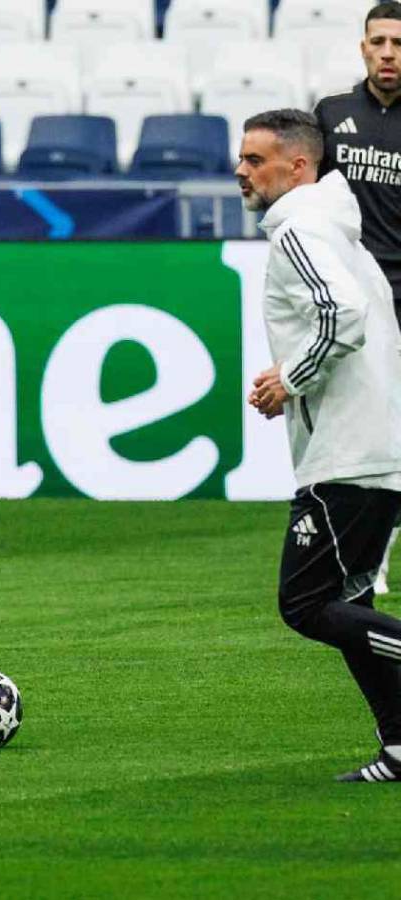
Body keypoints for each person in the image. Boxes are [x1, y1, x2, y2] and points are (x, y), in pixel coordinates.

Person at [237, 109, 401, 782]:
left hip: (349, 452)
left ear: (298, 165)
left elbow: (344, 315)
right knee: (352, 605)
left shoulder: (299, 229)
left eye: (255, 159)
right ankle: (400, 748)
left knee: (305, 604)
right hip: (373, 445)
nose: (241, 170)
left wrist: (291, 377)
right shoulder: (335, 227)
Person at [314, 1, 401, 593]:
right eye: (379, 42)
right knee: (363, 433)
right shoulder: (332, 114)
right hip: (354, 301)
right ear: (363, 47)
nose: (388, 53)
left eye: (398, 43)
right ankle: (367, 556)